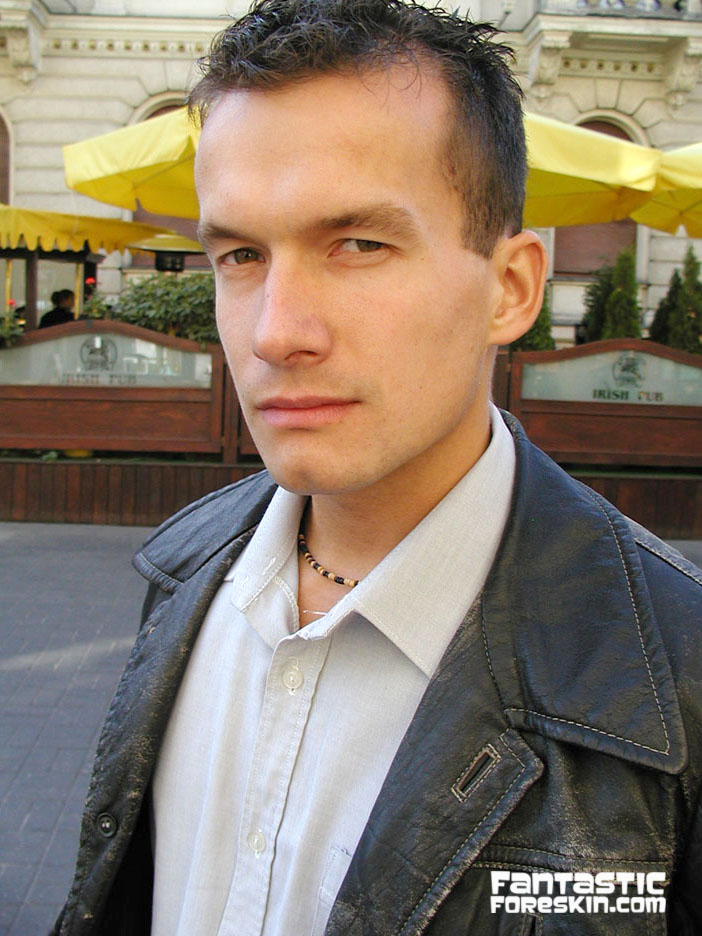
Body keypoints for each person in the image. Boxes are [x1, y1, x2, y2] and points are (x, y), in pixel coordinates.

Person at [53, 1, 702, 934]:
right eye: (240, 254)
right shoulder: (183, 571)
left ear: (510, 287)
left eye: (359, 244)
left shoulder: (674, 674)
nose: (275, 332)